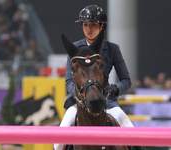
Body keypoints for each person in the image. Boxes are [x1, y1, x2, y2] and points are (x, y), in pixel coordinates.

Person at [54, 4, 133, 150]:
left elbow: (126, 80)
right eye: (85, 25)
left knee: (132, 133)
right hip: (79, 104)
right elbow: (69, 81)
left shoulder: (112, 49)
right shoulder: (74, 49)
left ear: (101, 26)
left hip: (107, 102)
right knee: (58, 143)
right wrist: (81, 95)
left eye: (93, 25)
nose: (89, 29)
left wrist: (116, 89)